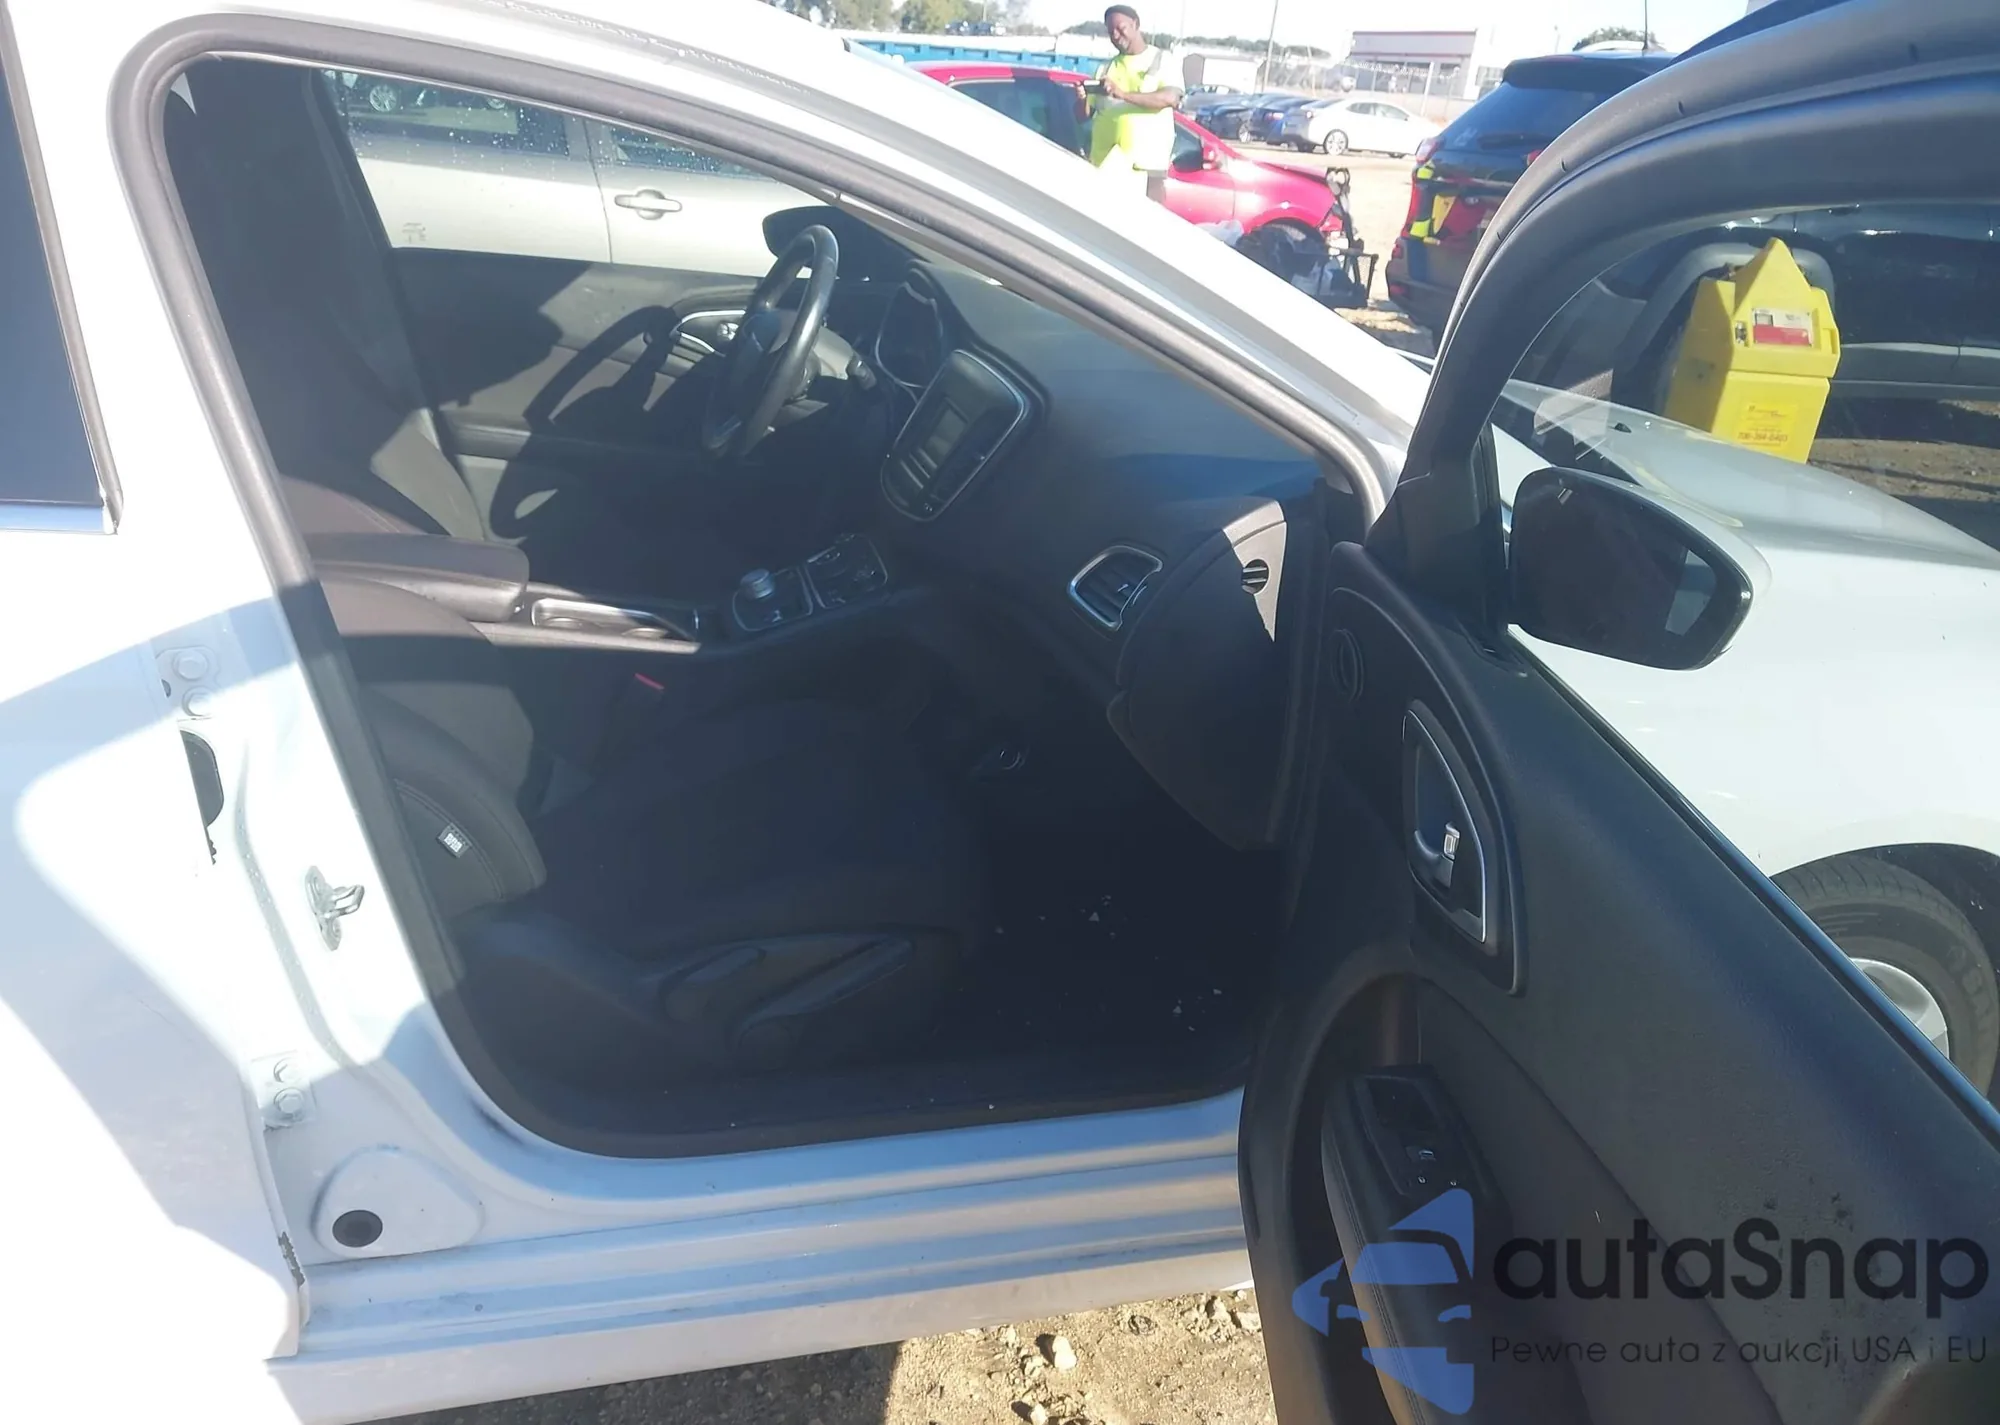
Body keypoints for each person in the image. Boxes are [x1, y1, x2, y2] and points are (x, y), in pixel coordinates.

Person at [1089, 5, 1181, 199]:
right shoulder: (1105, 68)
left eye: (1120, 28)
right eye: (1110, 31)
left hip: (1145, 170)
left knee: (1143, 218)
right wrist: (1081, 97)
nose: (1115, 35)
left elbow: (1169, 98)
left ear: (1135, 24)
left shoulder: (1162, 60)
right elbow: (1084, 114)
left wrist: (1122, 94)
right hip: (1105, 167)